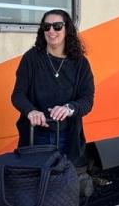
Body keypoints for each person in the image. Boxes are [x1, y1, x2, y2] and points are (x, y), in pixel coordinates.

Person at [11, 9, 95, 169]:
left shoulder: (80, 63)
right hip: (34, 135)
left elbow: (87, 100)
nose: (51, 31)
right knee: (34, 185)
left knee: (60, 187)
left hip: (67, 137)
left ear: (67, 29)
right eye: (46, 26)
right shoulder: (31, 58)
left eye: (57, 26)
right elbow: (18, 95)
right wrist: (31, 111)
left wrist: (69, 108)